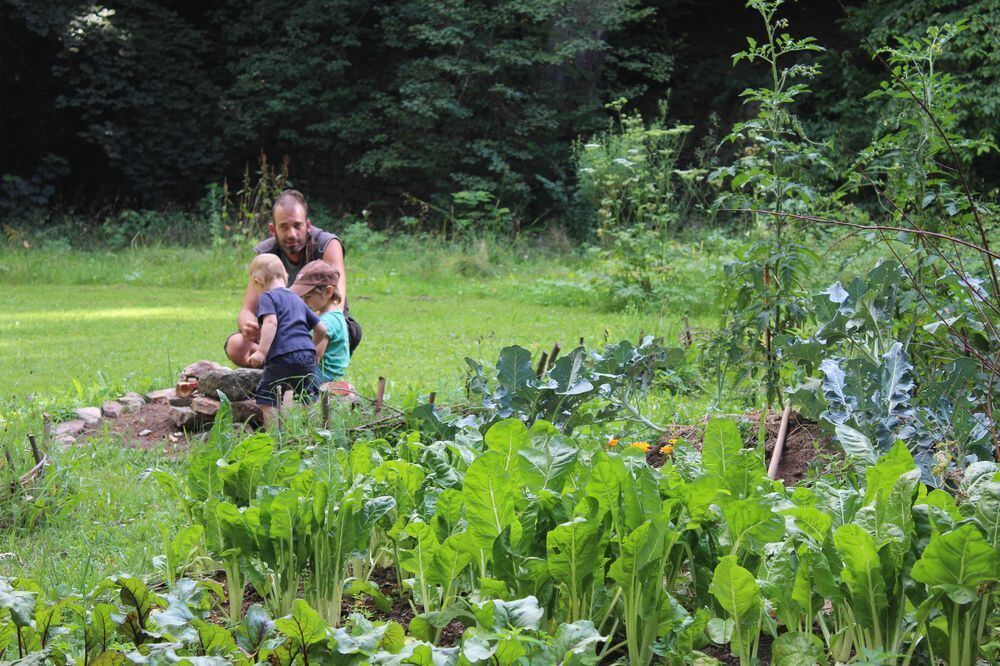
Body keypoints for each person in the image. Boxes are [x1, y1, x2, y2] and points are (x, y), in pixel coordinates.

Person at [225, 190, 360, 367]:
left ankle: (287, 370)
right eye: (284, 227)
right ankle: (272, 373)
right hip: (280, 328)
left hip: (324, 324)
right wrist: (247, 325)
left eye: (297, 226)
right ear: (272, 229)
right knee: (236, 345)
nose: (291, 234)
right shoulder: (265, 254)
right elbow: (248, 309)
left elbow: (336, 303)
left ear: (308, 225)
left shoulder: (327, 245)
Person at [245, 254, 325, 426]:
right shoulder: (297, 299)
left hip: (281, 357)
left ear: (258, 282)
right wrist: (310, 347)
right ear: (286, 278)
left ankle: (272, 440)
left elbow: (271, 322)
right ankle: (315, 435)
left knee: (268, 397)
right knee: (308, 397)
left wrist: (261, 352)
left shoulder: (267, 297)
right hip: (306, 356)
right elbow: (322, 329)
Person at [290, 260, 350, 384]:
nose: (303, 302)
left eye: (307, 297)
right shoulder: (333, 314)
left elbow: (313, 356)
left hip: (323, 376)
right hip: (327, 374)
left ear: (328, 292)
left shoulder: (327, 321)